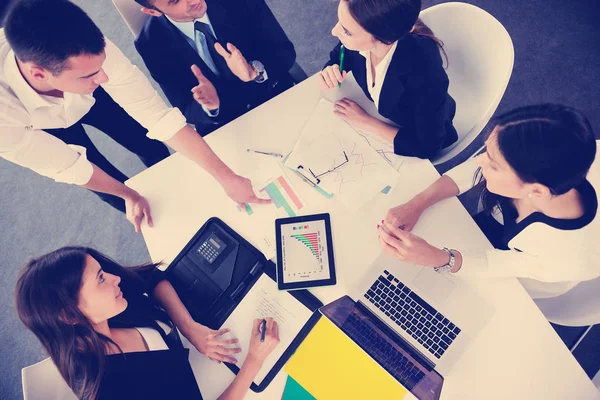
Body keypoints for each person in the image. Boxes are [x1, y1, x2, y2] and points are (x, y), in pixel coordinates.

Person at [0, 0, 270, 232]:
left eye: (101, 65)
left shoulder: (91, 57)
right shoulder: (4, 122)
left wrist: (225, 176)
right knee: (110, 183)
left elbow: (158, 118)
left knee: (146, 141)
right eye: (91, 74)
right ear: (38, 74)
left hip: (77, 88)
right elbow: (72, 168)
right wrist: (128, 194)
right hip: (34, 123)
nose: (104, 77)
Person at [377, 104, 599, 299]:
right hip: (500, 225)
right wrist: (418, 204)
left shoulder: (570, 258)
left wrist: (439, 258)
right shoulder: (551, 159)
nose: (479, 161)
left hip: (523, 273)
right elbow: (476, 168)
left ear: (537, 191)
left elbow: (496, 264)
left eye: (493, 165)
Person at [15, 246, 280, 399]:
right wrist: (255, 360)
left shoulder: (107, 307)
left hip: (202, 354)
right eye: (100, 279)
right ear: (70, 316)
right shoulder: (116, 388)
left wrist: (189, 327)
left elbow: (151, 277)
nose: (115, 278)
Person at [134, 0, 296, 136]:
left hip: (274, 96)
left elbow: (284, 52)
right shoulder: (150, 43)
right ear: (153, 12)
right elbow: (185, 107)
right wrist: (209, 105)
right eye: (175, 0)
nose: (194, 0)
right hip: (225, 126)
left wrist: (255, 71)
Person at [319, 0, 457, 159]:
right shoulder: (360, 28)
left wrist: (365, 121)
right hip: (384, 112)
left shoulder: (424, 73)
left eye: (347, 31)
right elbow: (338, 55)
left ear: (383, 37)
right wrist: (331, 69)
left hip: (414, 126)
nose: (334, 31)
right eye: (340, 23)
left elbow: (427, 148)